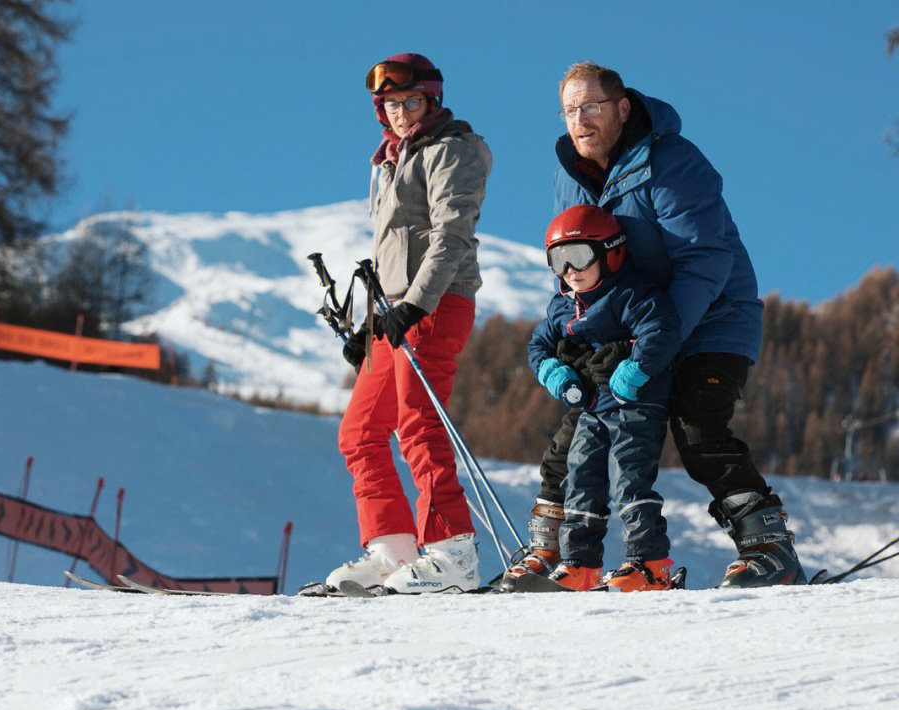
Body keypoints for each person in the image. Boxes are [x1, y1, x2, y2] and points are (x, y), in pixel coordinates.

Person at [505, 61, 805, 589]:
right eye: (570, 110)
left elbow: (705, 258)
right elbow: (569, 266)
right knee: (580, 424)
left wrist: (654, 345)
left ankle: (768, 546)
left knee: (697, 423)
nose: (580, 119)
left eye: (591, 106)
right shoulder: (568, 175)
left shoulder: (671, 162)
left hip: (710, 318)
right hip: (622, 328)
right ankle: (550, 553)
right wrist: (574, 341)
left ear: (622, 108)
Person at [325, 53, 492, 594]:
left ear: (432, 101)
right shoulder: (390, 161)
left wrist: (417, 305)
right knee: (360, 433)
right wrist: (369, 326)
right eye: (391, 105)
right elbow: (394, 250)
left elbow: (451, 236)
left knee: (419, 422)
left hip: (437, 304)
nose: (400, 113)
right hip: (396, 312)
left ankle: (452, 551)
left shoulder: (451, 152)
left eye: (411, 102)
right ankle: (393, 551)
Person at [523, 204, 682, 591]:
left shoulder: (627, 292)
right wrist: (555, 374)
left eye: (577, 256)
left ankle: (650, 565)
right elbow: (537, 347)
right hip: (592, 409)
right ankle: (580, 564)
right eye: (558, 260)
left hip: (634, 404)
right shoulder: (562, 305)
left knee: (628, 477)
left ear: (610, 252)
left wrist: (635, 369)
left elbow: (660, 329)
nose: (569, 270)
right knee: (579, 477)